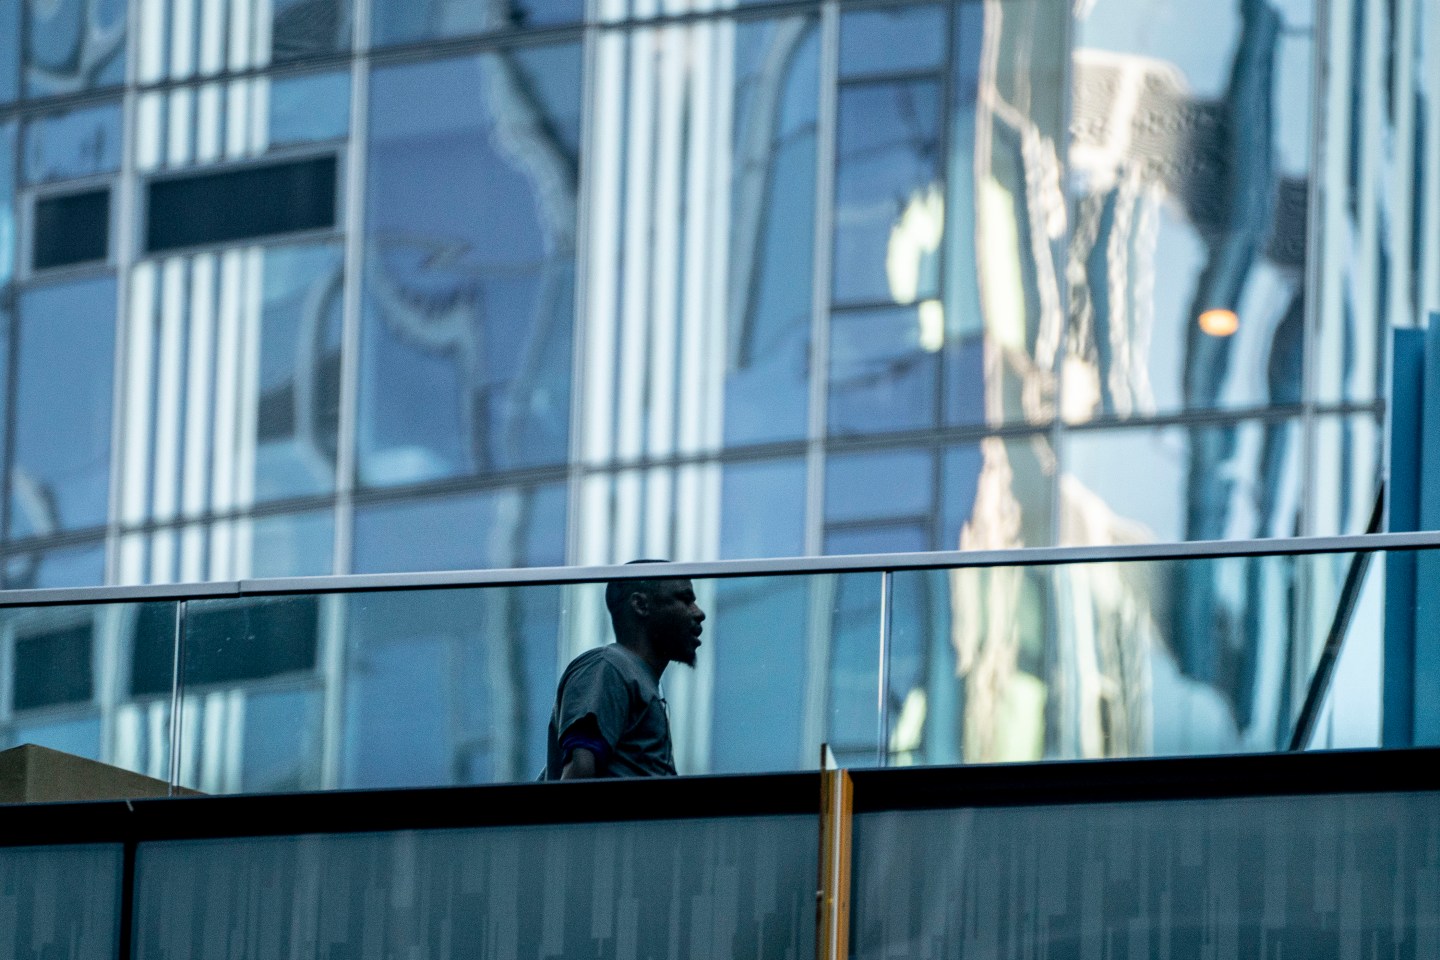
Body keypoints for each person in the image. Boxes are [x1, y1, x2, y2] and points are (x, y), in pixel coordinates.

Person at [544, 561, 706, 779]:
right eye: (685, 600)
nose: (699, 613)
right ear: (640, 605)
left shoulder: (626, 673)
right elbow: (578, 773)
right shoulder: (608, 666)